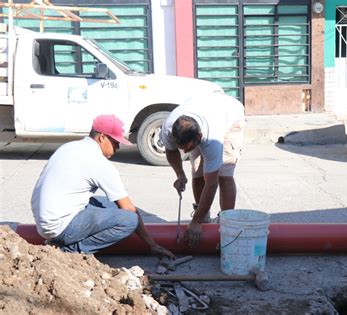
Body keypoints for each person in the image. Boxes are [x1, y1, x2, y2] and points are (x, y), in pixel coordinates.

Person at [31, 114, 175, 258]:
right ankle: (71, 251)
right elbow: (128, 208)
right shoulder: (98, 162)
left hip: (44, 220)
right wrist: (152, 245)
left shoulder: (70, 147)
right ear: (102, 137)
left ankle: (63, 240)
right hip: (59, 227)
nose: (118, 147)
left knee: (105, 203)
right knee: (130, 220)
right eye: (115, 142)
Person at [160, 91, 245, 248]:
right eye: (182, 148)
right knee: (197, 172)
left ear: (199, 137)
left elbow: (212, 184)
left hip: (229, 115)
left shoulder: (213, 141)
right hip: (203, 108)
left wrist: (195, 222)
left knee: (224, 175)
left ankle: (226, 222)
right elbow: (171, 150)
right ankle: (203, 215)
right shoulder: (169, 129)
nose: (184, 152)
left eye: (188, 148)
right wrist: (180, 175)